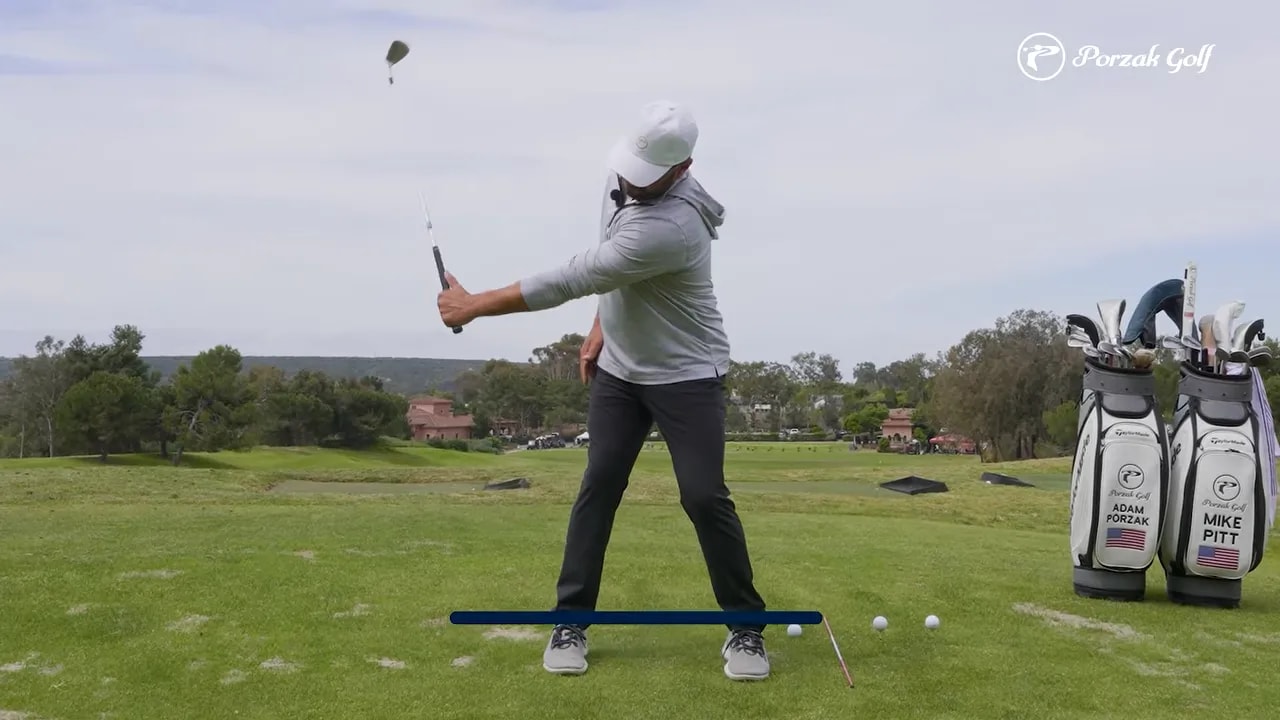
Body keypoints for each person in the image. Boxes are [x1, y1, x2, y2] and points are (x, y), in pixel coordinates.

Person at [435, 100, 770, 681]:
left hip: (687, 374)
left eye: (647, 180)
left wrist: (473, 306)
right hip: (620, 371)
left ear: (682, 167)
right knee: (598, 488)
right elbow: (608, 270)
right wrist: (601, 327)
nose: (630, 185)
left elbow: (576, 274)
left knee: (703, 496)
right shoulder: (623, 176)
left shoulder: (676, 228)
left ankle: (746, 629)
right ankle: (571, 621)